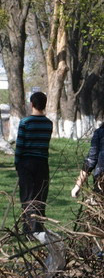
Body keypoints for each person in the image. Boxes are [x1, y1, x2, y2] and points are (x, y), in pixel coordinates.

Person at [15, 91, 53, 234]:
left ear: (31, 104)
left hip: (26, 163)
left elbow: (20, 145)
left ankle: (28, 230)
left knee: (27, 196)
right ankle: (38, 229)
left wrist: (17, 162)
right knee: (40, 196)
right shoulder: (48, 124)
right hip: (42, 163)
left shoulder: (25, 122)